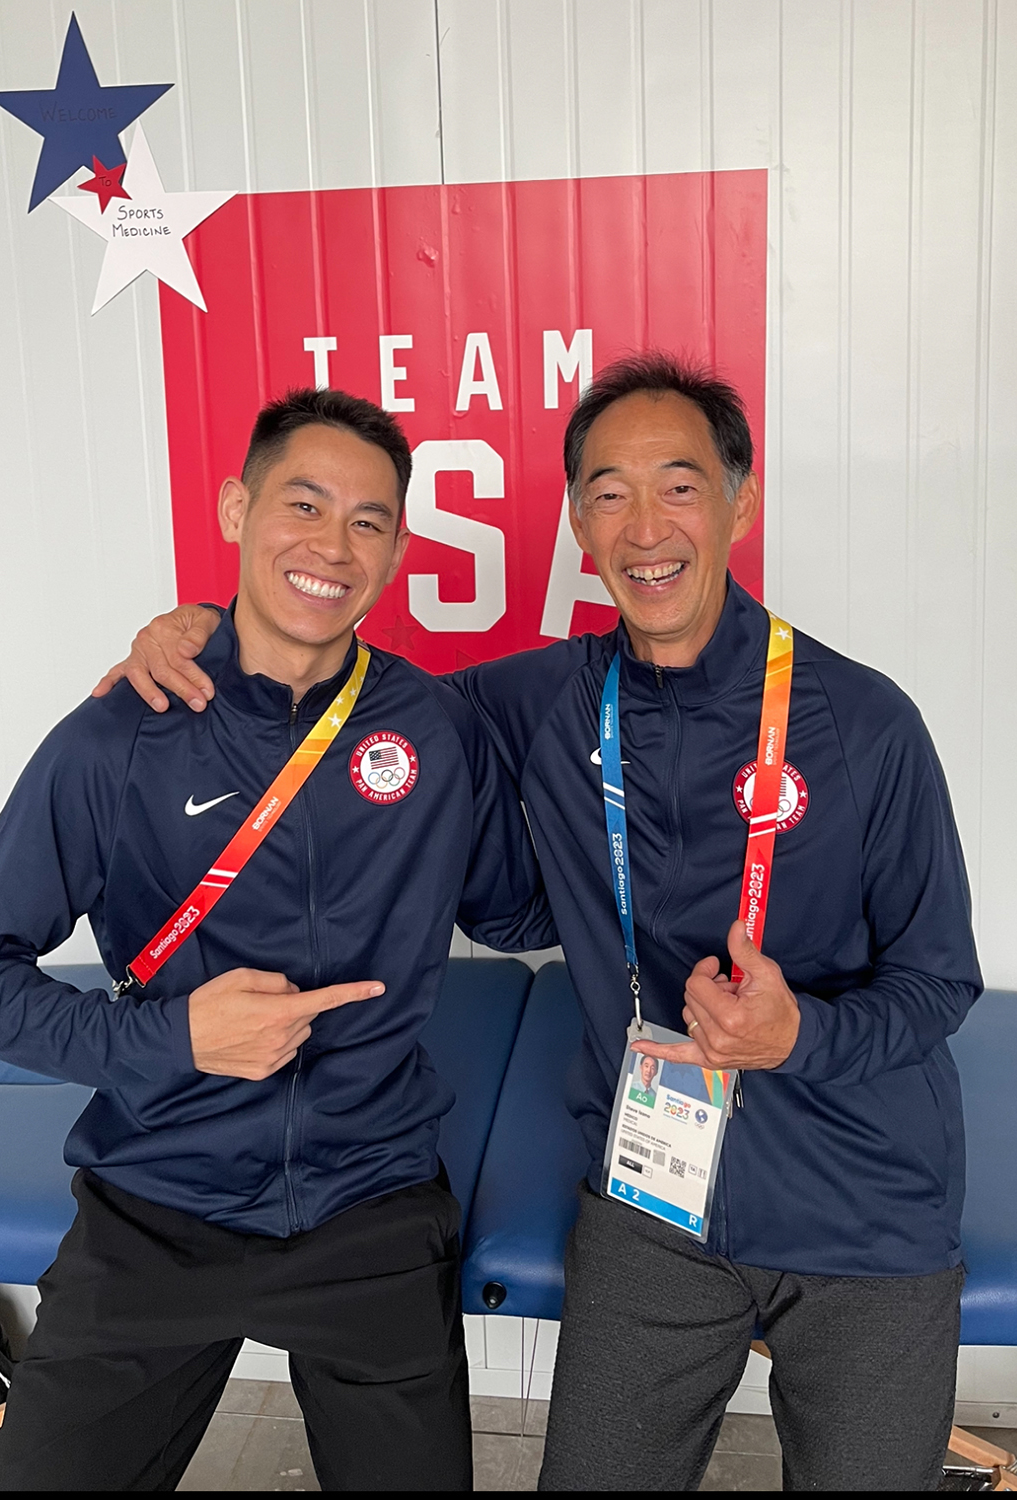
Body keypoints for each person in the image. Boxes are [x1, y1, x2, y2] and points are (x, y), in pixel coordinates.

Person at [116, 353, 982, 1492]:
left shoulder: (864, 722)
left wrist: (797, 1038)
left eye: (678, 485)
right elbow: (337, 686)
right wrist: (197, 632)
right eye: (607, 492)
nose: (643, 525)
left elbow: (937, 981)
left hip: (863, 1202)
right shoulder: (529, 699)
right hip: (654, 1198)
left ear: (740, 499)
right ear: (577, 520)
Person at [0, 387, 556, 1492]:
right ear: (236, 508)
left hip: (370, 1204)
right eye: (303, 505)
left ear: (396, 551)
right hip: (158, 1203)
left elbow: (518, 912)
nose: (332, 545)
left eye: (367, 521)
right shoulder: (120, 736)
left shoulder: (434, 732)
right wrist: (171, 1042)